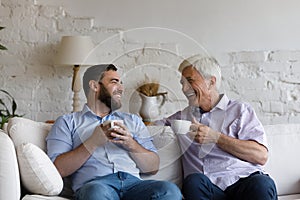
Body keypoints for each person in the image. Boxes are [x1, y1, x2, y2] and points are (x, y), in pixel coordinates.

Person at [46, 64, 182, 200]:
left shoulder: (132, 121)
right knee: (95, 192)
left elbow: (153, 167)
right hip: (96, 185)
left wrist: (131, 144)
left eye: (121, 83)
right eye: (114, 82)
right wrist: (92, 143)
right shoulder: (67, 122)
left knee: (169, 190)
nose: (121, 88)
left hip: (134, 186)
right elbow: (57, 169)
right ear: (94, 86)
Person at [154, 55, 278, 200]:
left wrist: (215, 137)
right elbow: (150, 128)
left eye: (190, 81)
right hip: (207, 188)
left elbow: (261, 156)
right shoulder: (182, 118)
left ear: (211, 82)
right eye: (182, 83)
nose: (184, 88)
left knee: (262, 184)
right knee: (193, 181)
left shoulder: (240, 110)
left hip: (243, 182)